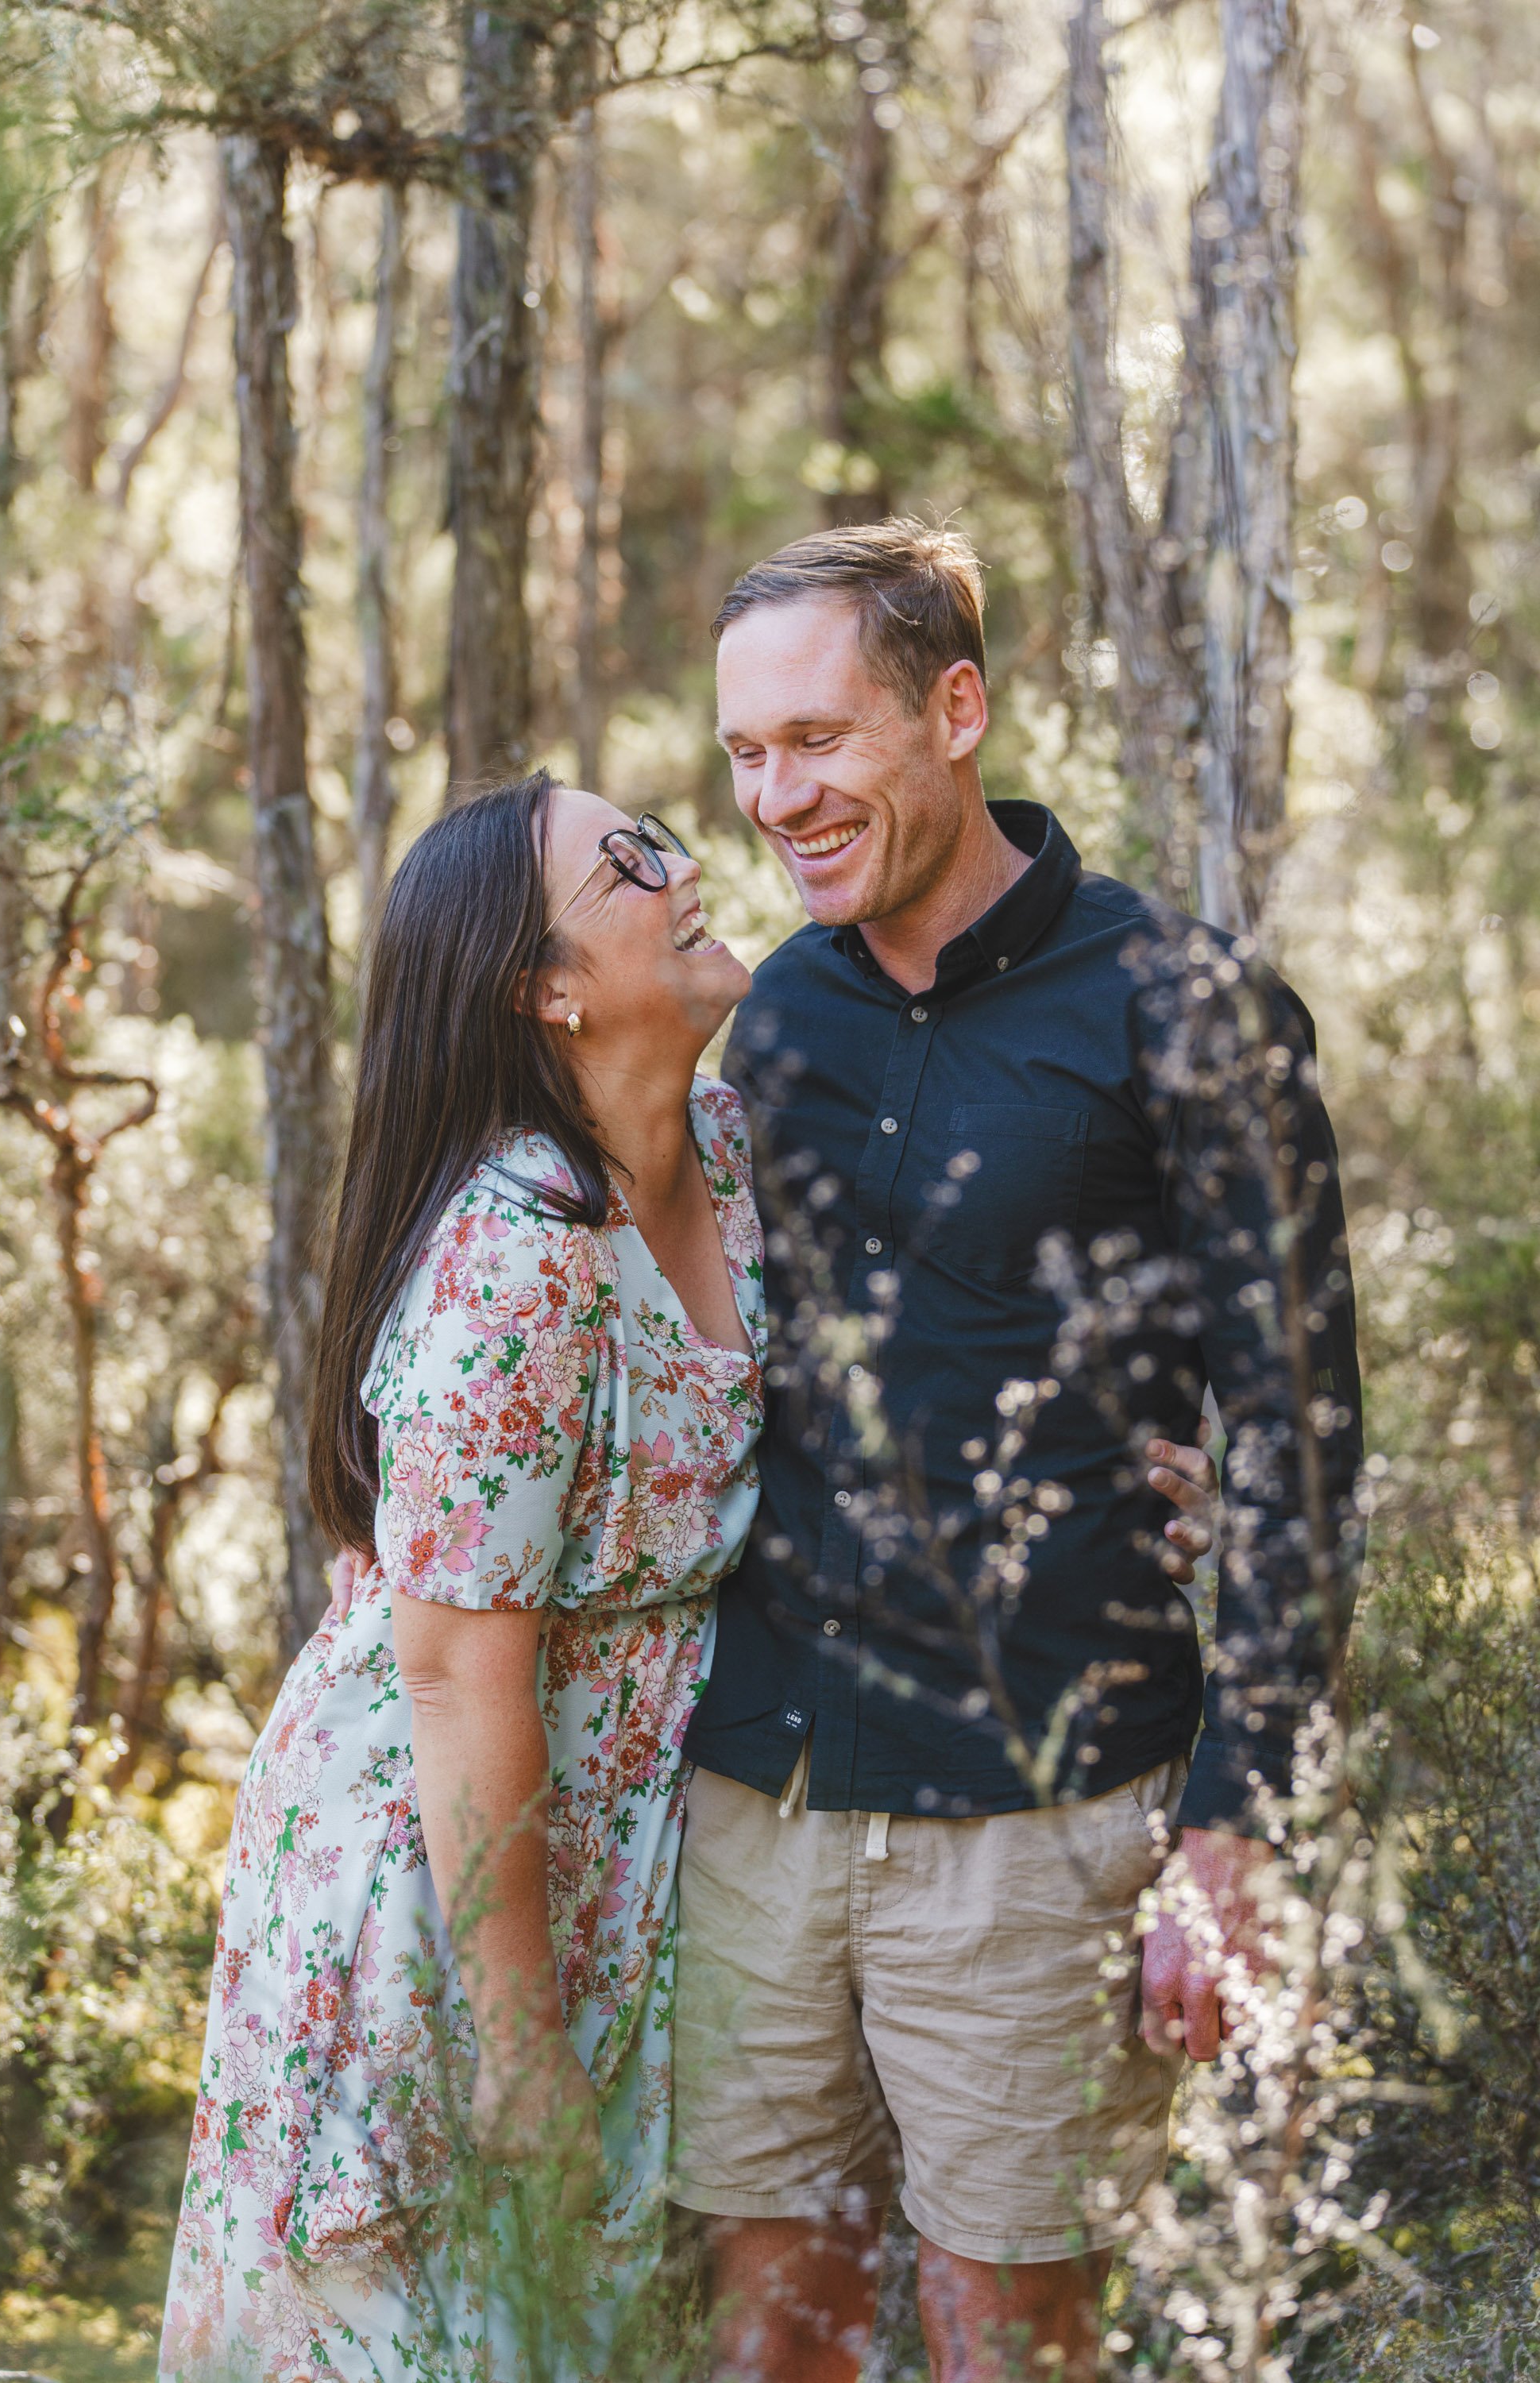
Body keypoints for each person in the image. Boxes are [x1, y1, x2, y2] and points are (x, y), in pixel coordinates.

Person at [669, 519, 1364, 2383]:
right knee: (772, 2328)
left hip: (1040, 1818)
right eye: (746, 752)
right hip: (757, 1791)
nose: (777, 797)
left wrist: (1235, 1829)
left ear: (955, 709)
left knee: (1010, 2332)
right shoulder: (762, 1014)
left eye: (819, 739)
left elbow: (1300, 1448)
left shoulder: (1186, 1009)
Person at [159, 773, 766, 2381]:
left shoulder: (723, 1143)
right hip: (439, 1859)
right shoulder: (519, 1253)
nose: (682, 865)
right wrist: (517, 2044)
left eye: (659, 832)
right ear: (545, 988)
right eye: (628, 862)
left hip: (608, 1846)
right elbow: (452, 1675)